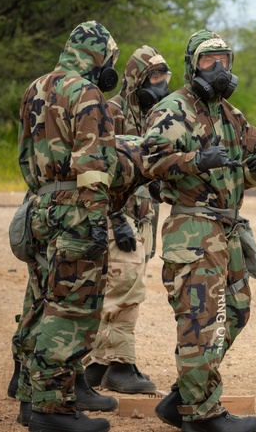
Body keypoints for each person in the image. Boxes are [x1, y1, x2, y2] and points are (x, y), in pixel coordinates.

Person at [142, 29, 256, 432]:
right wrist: (196, 160)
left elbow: (253, 151)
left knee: (236, 310)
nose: (218, 69)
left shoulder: (229, 113)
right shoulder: (172, 109)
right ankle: (201, 414)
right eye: (207, 61)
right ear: (191, 65)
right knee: (202, 322)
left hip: (227, 231)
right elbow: (148, 161)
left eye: (224, 60)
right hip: (193, 229)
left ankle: (184, 396)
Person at [14, 21, 120, 432]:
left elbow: (24, 154)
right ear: (98, 55)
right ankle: (52, 410)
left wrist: (41, 195)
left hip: (40, 203)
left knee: (40, 301)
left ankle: (29, 398)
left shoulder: (35, 87)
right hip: (76, 208)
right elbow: (94, 165)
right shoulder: (87, 93)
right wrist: (96, 219)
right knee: (72, 307)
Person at [84, 45, 171, 394]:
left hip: (144, 217)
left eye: (165, 77)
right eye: (154, 77)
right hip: (118, 217)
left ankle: (98, 364)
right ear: (136, 79)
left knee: (124, 287)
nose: (161, 85)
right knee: (123, 290)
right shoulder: (111, 113)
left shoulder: (156, 117)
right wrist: (114, 216)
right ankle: (120, 365)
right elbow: (97, 168)